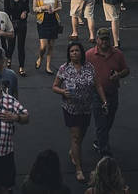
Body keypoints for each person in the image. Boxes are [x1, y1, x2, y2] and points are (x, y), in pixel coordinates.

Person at [52, 41, 108, 182]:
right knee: (76, 137)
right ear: (68, 54)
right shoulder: (64, 69)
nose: (74, 53)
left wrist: (104, 101)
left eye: (77, 50)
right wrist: (63, 92)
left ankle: (73, 151)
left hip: (86, 108)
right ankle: (79, 169)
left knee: (81, 135)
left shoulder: (89, 68)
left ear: (81, 52)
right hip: (71, 109)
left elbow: (98, 85)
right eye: (72, 51)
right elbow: (55, 86)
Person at [86, 28, 129, 157]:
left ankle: (99, 141)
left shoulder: (117, 54)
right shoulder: (89, 55)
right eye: (102, 39)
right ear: (97, 40)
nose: (104, 41)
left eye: (106, 39)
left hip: (112, 92)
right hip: (96, 95)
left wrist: (119, 75)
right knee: (101, 123)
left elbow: (126, 70)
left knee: (109, 120)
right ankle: (104, 150)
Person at [33, 0, 62, 74]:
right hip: (42, 20)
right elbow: (34, 8)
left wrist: (54, 10)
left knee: (51, 45)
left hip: (53, 19)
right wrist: (43, 8)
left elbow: (60, 6)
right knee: (43, 46)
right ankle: (40, 57)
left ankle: (48, 66)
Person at [4, 0, 29, 75]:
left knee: (21, 45)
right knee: (11, 44)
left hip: (22, 23)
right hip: (11, 22)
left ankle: (21, 67)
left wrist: (25, 12)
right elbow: (6, 10)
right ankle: (9, 58)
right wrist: (8, 21)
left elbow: (27, 8)